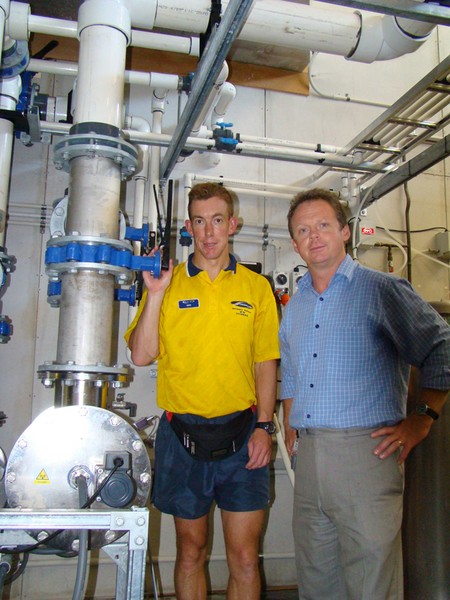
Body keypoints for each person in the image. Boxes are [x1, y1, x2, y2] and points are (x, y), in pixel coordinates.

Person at [279, 188, 450, 600]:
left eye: (323, 225)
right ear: (294, 243)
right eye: (303, 229)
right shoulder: (295, 305)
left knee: (371, 585)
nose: (314, 236)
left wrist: (421, 419)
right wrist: (290, 424)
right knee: (318, 583)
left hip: (366, 457)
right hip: (311, 457)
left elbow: (441, 347)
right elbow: (290, 372)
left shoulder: (381, 289)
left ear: (344, 231)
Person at [125, 182, 280, 600]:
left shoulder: (255, 288)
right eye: (199, 222)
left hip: (244, 439)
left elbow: (266, 362)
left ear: (232, 224)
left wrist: (265, 426)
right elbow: (141, 355)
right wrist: (155, 295)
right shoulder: (167, 283)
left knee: (244, 558)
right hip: (182, 437)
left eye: (217, 221)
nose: (209, 232)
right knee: (191, 552)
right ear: (189, 227)